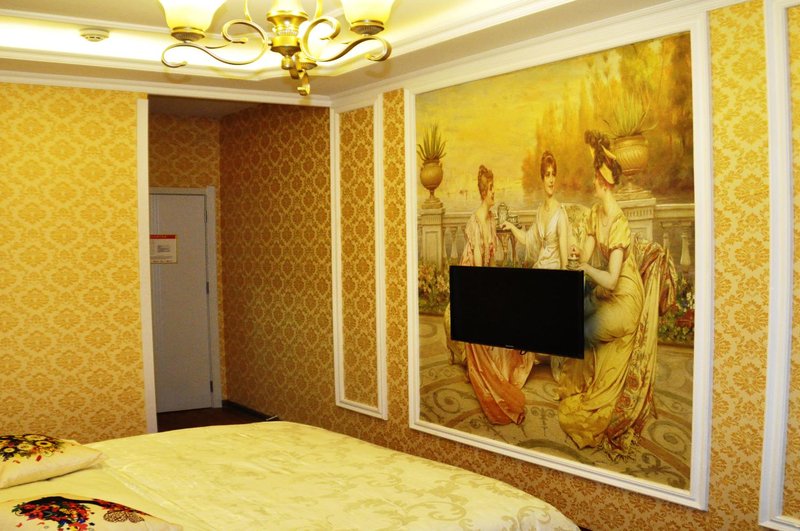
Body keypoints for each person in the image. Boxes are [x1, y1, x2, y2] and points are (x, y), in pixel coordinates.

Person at [556, 130, 650, 458]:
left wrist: (584, 268)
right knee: (573, 314)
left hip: (625, 297)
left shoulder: (620, 222)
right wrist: (575, 253)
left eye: (595, 178)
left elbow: (610, 280)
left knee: (583, 329)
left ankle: (590, 389)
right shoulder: (596, 214)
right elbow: (584, 254)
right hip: (608, 290)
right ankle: (576, 383)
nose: (592, 182)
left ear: (604, 181)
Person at [459, 165, 535, 425]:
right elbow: (478, 270)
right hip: (472, 286)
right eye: (492, 189)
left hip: (484, 279)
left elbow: (492, 262)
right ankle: (492, 374)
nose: (495, 193)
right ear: (484, 192)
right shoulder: (475, 222)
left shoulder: (491, 219)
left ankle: (510, 366)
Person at [501, 151, 570, 270]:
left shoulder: (560, 214)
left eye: (553, 175)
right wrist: (511, 226)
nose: (551, 180)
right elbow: (527, 239)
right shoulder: (540, 211)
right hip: (540, 266)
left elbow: (565, 264)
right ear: (542, 178)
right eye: (548, 175)